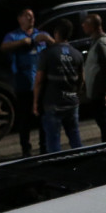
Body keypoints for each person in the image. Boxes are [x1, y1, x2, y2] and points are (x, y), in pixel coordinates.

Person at [0, 8, 53, 157]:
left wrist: (49, 40)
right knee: (25, 119)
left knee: (43, 117)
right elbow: (3, 47)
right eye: (27, 16)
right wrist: (22, 42)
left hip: (41, 83)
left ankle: (44, 147)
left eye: (32, 16)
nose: (31, 19)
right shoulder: (13, 36)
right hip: (23, 83)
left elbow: (56, 47)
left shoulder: (40, 34)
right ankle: (26, 150)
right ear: (19, 19)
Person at [33, 19, 84, 153]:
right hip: (72, 102)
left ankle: (57, 169)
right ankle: (82, 162)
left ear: (56, 33)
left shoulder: (47, 54)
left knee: (53, 141)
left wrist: (35, 102)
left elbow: (39, 80)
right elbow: (81, 80)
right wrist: (76, 95)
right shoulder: (77, 54)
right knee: (75, 136)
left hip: (53, 103)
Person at [81, 13, 106, 142]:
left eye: (85, 23)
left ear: (92, 26)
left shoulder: (102, 43)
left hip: (100, 92)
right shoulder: (97, 40)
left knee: (104, 120)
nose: (83, 25)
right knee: (102, 120)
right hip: (97, 90)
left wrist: (105, 93)